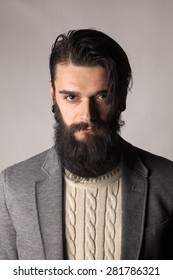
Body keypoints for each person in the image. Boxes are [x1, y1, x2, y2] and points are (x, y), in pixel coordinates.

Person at [0, 29, 173, 260]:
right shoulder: (12, 186)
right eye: (71, 97)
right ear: (53, 94)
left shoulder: (167, 181)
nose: (87, 115)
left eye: (102, 96)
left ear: (121, 95)